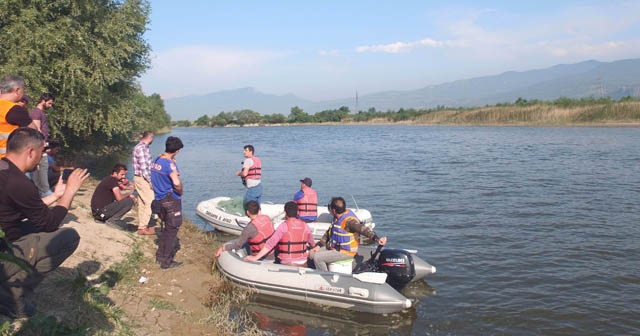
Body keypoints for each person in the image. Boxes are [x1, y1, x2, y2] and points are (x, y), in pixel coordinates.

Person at [0, 127, 89, 318]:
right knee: (68, 237)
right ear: (30, 152)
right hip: (4, 247)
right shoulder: (18, 182)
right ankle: (10, 297)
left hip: (5, 233)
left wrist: (56, 196)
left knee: (36, 228)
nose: (42, 159)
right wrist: (70, 192)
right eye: (41, 154)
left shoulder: (4, 169)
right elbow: (50, 223)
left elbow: (28, 208)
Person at [309, 197, 387, 272]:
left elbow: (363, 229)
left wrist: (376, 238)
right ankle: (318, 273)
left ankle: (325, 279)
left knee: (318, 258)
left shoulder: (349, 221)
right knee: (312, 254)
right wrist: (318, 245)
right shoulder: (336, 218)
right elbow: (329, 233)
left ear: (334, 210)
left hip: (345, 252)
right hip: (334, 247)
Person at [245, 202, 315, 267]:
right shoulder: (305, 226)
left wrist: (255, 258)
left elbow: (270, 244)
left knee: (277, 251)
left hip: (288, 263)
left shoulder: (283, 227)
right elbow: (312, 244)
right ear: (297, 212)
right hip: (303, 262)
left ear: (285, 213)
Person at [151, 136, 184, 269]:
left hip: (159, 198)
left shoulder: (156, 160)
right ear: (176, 150)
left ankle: (160, 255)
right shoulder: (170, 164)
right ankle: (166, 261)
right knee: (172, 229)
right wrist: (180, 191)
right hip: (170, 199)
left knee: (166, 227)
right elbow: (176, 183)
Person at [0, 75, 34, 159]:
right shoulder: (15, 110)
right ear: (17, 90)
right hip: (7, 162)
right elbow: (34, 132)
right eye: (23, 89)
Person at [30, 93, 55, 197]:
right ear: (43, 101)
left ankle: (41, 191)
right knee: (42, 168)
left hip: (40, 145)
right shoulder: (36, 113)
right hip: (39, 145)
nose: (50, 106)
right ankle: (45, 192)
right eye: (49, 103)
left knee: (40, 169)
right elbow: (35, 128)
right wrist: (42, 143)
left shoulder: (40, 113)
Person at [132, 131, 155, 235]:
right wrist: (150, 181)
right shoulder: (141, 149)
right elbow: (144, 167)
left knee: (142, 202)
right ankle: (143, 227)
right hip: (142, 178)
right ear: (150, 137)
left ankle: (141, 225)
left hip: (139, 178)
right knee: (150, 201)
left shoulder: (140, 147)